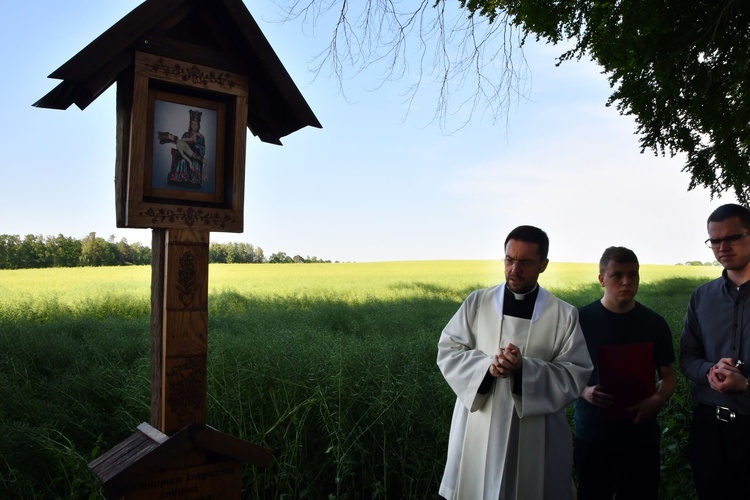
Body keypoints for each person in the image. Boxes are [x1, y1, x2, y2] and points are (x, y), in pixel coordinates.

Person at [437, 225, 593, 500]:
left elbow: (574, 373)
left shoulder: (563, 314)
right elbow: (449, 349)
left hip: (537, 430)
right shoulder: (477, 303)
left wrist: (524, 369)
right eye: (509, 260)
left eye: (525, 262)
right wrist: (488, 367)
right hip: (479, 422)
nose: (514, 269)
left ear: (543, 265)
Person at [573, 247, 676, 500]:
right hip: (593, 435)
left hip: (640, 436)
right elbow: (561, 371)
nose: (626, 282)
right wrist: (584, 391)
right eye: (617, 275)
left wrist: (657, 399)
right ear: (601, 279)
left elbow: (668, 376)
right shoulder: (579, 320)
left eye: (633, 275)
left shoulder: (654, 323)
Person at [679, 203, 750, 499]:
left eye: (732, 238)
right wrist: (708, 371)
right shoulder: (701, 297)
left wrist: (745, 384)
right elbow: (687, 356)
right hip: (709, 428)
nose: (722, 247)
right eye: (715, 241)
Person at [158, 109, 209, 188]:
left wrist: (195, 144)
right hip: (187, 156)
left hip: (195, 155)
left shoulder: (201, 137)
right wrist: (189, 162)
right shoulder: (185, 135)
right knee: (182, 161)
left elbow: (201, 148)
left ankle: (202, 176)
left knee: (203, 163)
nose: (193, 126)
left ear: (198, 125)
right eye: (192, 124)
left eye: (195, 125)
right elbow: (182, 152)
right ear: (190, 125)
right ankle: (182, 178)